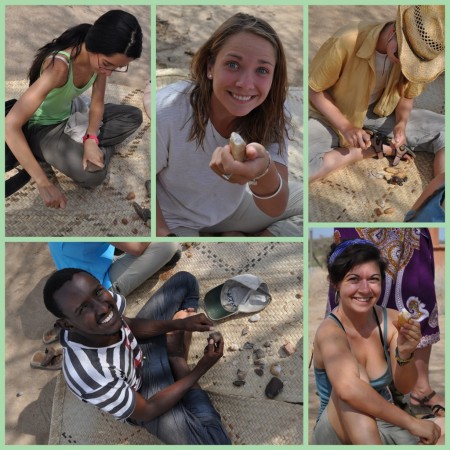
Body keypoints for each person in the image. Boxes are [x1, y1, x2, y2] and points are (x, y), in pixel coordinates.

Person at [43, 268, 231, 445]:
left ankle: (172, 352)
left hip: (141, 354)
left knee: (185, 281)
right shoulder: (89, 374)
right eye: (83, 309)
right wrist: (201, 368)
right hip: (142, 394)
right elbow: (147, 411)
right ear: (67, 324)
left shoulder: (103, 305)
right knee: (217, 443)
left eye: (98, 291)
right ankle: (176, 360)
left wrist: (180, 325)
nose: (102, 308)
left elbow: (129, 325)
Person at [156, 12, 302, 237]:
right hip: (176, 219)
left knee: (305, 202)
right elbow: (145, 182)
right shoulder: (169, 111)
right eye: (233, 64)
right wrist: (164, 235)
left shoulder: (273, 111)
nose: (245, 84)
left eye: (262, 70)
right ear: (210, 67)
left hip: (228, 210)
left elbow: (275, 206)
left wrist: (262, 172)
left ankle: (242, 238)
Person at [308, 5, 444, 220]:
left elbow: (407, 95)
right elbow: (315, 91)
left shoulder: (417, 56)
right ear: (393, 33)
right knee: (297, 164)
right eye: (402, 57)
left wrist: (401, 123)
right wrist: (347, 127)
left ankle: (439, 201)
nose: (403, 65)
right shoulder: (346, 40)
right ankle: (370, 149)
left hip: (380, 114)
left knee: (444, 127)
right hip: (332, 116)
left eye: (413, 65)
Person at [5, 10, 144, 208]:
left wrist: (91, 140)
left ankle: (88, 148)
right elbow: (10, 125)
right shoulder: (59, 68)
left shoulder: (100, 64)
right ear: (95, 47)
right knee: (92, 176)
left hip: (71, 113)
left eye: (116, 68)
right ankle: (82, 151)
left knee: (133, 116)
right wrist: (43, 183)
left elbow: (97, 102)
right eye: (107, 65)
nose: (109, 72)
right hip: (42, 128)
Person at [311, 239, 443, 445]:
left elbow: (405, 386)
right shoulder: (330, 331)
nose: (365, 289)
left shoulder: (390, 320)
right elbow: (348, 389)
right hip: (338, 431)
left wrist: (406, 353)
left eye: (373, 279)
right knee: (356, 381)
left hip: (385, 424)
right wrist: (411, 422)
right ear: (336, 283)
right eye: (354, 279)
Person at [40, 242, 180, 346]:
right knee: (170, 246)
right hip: (94, 280)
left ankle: (77, 315)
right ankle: (105, 292)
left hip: (70, 275)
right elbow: (137, 248)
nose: (103, 309)